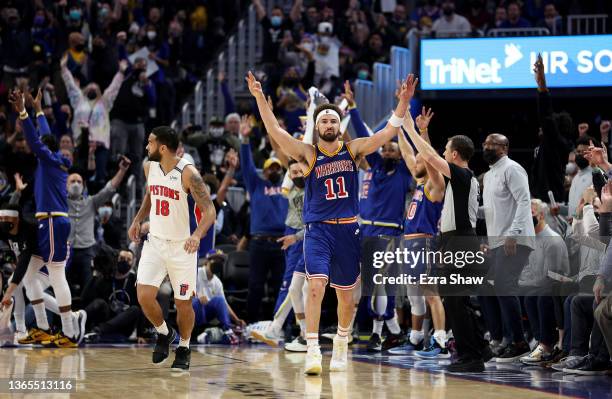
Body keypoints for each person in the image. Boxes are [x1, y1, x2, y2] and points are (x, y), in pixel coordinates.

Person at [246, 70, 415, 375]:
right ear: (318, 126)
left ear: (339, 126)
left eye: (333, 121)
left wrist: (403, 103)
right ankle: (312, 349)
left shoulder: (353, 150)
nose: (328, 124)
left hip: (349, 229)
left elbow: (387, 133)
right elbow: (275, 130)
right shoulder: (308, 154)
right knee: (315, 287)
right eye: (323, 120)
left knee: (347, 298)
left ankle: (340, 342)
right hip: (318, 231)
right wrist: (259, 97)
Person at [128, 126, 216, 371]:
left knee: (183, 303)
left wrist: (197, 235)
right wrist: (137, 219)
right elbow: (150, 195)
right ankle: (164, 334)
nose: (147, 147)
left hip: (182, 247)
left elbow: (210, 211)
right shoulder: (149, 167)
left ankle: (184, 346)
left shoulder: (188, 173)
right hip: (155, 242)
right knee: (144, 295)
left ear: (162, 147)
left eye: (150, 143)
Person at [404, 112, 484, 372]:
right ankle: (476, 350)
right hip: (455, 241)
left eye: (447, 150)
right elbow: (430, 162)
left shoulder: (462, 175)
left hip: (460, 241)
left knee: (456, 302)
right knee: (456, 302)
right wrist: (423, 132)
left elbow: (428, 157)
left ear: (455, 154)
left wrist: (409, 128)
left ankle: (471, 356)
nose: (444, 153)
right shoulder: (459, 178)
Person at [9, 89, 85, 348]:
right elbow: (43, 136)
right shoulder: (53, 158)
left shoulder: (50, 159)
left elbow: (34, 139)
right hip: (48, 223)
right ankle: (42, 328)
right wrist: (39, 110)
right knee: (30, 277)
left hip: (53, 221)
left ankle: (69, 332)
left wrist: (23, 112)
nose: (37, 146)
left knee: (55, 275)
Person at [342, 81, 413, 352]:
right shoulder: (372, 165)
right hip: (363, 231)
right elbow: (362, 133)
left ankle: (385, 331)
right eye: (385, 148)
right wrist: (353, 106)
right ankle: (385, 331)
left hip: (389, 231)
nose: (387, 151)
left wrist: (402, 109)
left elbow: (404, 146)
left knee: (383, 284)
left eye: (391, 149)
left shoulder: (404, 172)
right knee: (369, 286)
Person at [391, 108, 447, 359]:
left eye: (420, 159)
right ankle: (415, 338)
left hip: (424, 243)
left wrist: (422, 131)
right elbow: (406, 152)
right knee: (414, 295)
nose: (415, 161)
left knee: (431, 294)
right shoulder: (418, 184)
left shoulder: (435, 186)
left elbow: (429, 155)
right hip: (408, 243)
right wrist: (399, 125)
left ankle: (440, 340)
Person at [482, 133, 535, 362]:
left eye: (491, 144)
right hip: (497, 240)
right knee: (487, 288)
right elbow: (492, 209)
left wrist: (513, 234)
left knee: (505, 285)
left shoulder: (512, 168)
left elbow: (525, 201)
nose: (486, 147)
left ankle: (519, 342)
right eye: (484, 144)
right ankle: (500, 338)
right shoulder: (489, 175)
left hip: (515, 239)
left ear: (504, 147)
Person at [239, 117, 288, 323]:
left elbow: (285, 156)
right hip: (259, 242)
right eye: (271, 168)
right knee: (256, 285)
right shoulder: (256, 185)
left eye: (278, 167)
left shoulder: (288, 184)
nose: (275, 170)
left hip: (281, 242)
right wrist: (244, 139)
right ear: (265, 171)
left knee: (280, 285)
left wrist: (276, 129)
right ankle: (252, 324)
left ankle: (277, 326)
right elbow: (247, 165)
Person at [66, 156, 131, 294]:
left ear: (83, 185)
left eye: (79, 181)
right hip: (66, 251)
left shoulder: (91, 202)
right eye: (72, 181)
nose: (76, 184)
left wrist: (122, 171)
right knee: (63, 287)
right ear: (66, 185)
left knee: (89, 287)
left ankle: (86, 313)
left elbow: (109, 189)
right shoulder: (60, 202)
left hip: (87, 251)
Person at [192, 250, 244, 344]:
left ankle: (228, 331)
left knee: (219, 300)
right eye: (214, 260)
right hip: (191, 310)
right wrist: (197, 296)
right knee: (196, 302)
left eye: (220, 261)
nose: (217, 263)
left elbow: (224, 304)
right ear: (206, 261)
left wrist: (236, 319)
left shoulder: (217, 282)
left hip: (206, 313)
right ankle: (197, 331)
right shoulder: (195, 273)